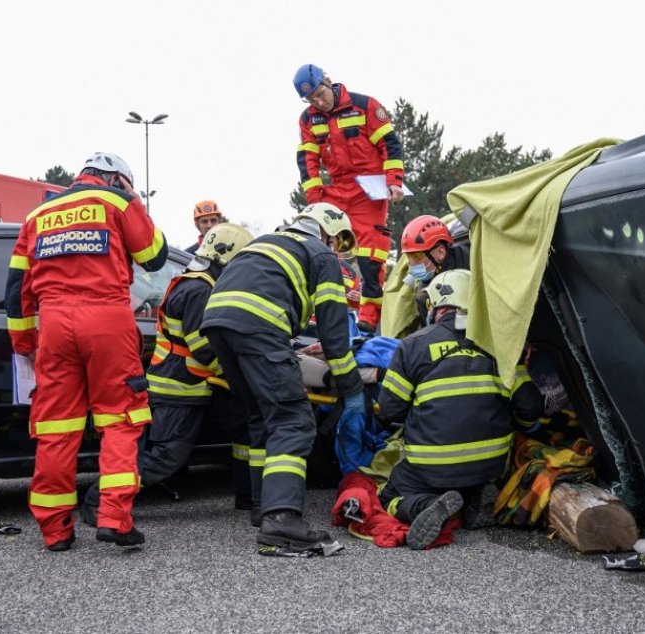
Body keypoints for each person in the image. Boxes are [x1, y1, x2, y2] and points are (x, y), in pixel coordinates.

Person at [5, 152, 168, 551]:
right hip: (107, 320)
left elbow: (16, 291)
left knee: (57, 428)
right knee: (122, 418)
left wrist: (27, 344)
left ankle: (55, 530)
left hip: (55, 326)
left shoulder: (37, 215)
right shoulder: (117, 201)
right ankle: (114, 518)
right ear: (117, 179)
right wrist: (135, 202)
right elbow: (154, 256)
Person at [201, 202, 364, 555]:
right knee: (293, 419)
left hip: (218, 324)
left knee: (263, 415)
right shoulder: (320, 255)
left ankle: (263, 505)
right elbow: (336, 338)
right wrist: (352, 390)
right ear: (327, 232)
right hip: (258, 325)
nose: (337, 249)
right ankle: (282, 521)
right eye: (337, 241)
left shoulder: (265, 241)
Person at [79, 223, 255, 526]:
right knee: (166, 458)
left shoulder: (194, 283)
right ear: (226, 258)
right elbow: (205, 350)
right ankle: (99, 501)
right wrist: (244, 370)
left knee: (243, 428)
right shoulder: (199, 290)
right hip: (180, 389)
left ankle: (247, 494)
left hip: (193, 385)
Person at [377, 269, 544, 549]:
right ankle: (474, 495)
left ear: (435, 307)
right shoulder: (501, 346)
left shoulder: (413, 345)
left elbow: (390, 410)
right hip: (491, 464)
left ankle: (425, 505)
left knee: (388, 493)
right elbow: (530, 408)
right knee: (475, 470)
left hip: (431, 467)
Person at [293, 63, 405, 333]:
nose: (319, 102)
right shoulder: (308, 119)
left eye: (321, 94)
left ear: (329, 81)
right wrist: (314, 198)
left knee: (370, 252)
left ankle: (369, 311)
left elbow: (390, 144)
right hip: (337, 187)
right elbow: (308, 159)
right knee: (318, 246)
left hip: (369, 187)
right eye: (312, 100)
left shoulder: (364, 105)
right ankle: (313, 307)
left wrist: (394, 182)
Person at [400, 214, 471, 324]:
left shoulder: (471, 261)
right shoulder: (423, 295)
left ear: (440, 252)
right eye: (408, 256)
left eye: (416, 256)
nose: (411, 264)